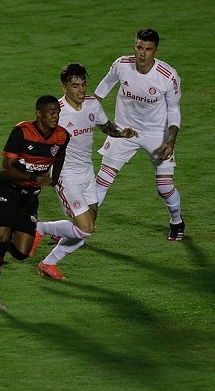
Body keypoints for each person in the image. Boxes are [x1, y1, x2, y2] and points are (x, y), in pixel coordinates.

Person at [31, 63, 137, 280]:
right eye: (75, 85)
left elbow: (105, 126)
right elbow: (39, 142)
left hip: (87, 174)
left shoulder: (92, 105)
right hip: (65, 176)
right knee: (85, 226)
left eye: (83, 84)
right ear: (64, 88)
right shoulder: (56, 114)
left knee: (87, 230)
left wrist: (121, 132)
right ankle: (40, 228)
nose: (81, 90)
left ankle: (48, 263)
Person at [94, 28, 185, 241]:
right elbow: (106, 83)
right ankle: (82, 226)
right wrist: (94, 103)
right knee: (102, 180)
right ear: (134, 46)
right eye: (139, 47)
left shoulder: (167, 76)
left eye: (148, 49)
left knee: (164, 187)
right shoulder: (122, 65)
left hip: (157, 133)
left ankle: (177, 222)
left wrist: (171, 140)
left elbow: (174, 110)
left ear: (156, 51)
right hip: (124, 130)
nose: (142, 54)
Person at [0, 95, 70, 310]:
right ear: (38, 113)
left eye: (58, 112)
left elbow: (59, 156)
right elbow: (5, 168)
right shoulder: (21, 132)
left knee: (21, 253)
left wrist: (55, 178)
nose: (55, 116)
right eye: (51, 112)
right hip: (7, 189)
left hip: (30, 197)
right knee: (1, 243)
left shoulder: (61, 136)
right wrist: (33, 178)